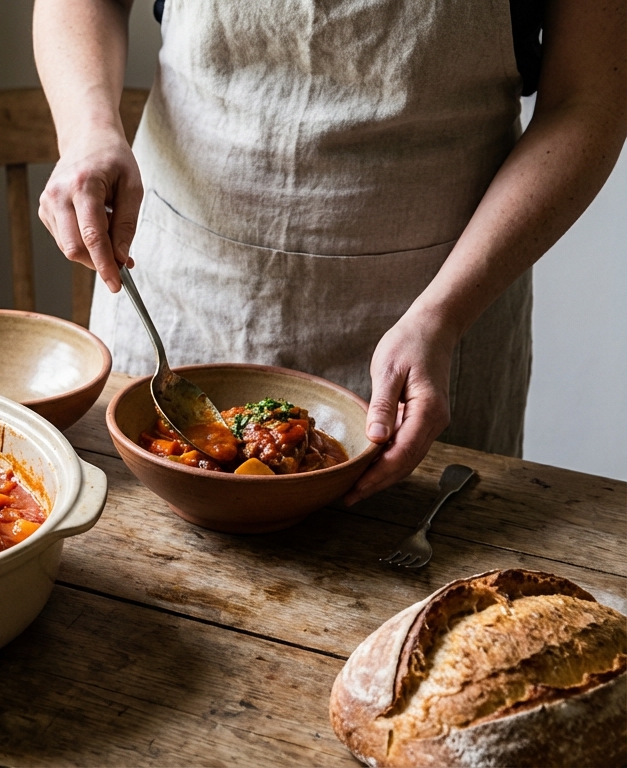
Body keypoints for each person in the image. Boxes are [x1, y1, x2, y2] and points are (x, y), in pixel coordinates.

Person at [34, 0, 626, 503]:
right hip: (180, 282)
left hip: (438, 297)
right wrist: (88, 131)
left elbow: (590, 99)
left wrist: (441, 317)